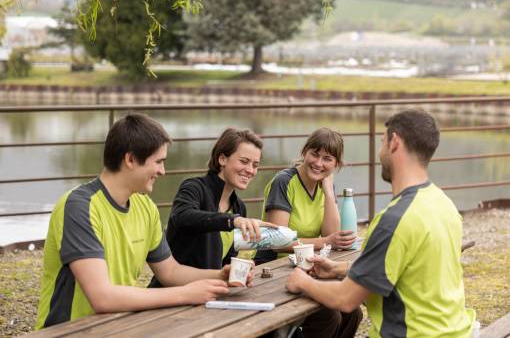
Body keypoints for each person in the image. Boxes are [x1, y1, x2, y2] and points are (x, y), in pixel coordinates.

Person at [35, 114, 241, 330]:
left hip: (120, 327)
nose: (163, 171)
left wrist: (220, 276)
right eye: (159, 162)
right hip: (70, 331)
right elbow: (102, 297)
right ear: (131, 159)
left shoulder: (146, 208)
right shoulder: (79, 206)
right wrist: (184, 294)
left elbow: (170, 272)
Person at [286, 110, 476, 337]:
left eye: (382, 142)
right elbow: (405, 268)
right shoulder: (442, 203)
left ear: (394, 142)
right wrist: (337, 268)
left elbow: (345, 299)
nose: (380, 151)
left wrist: (302, 281)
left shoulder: (394, 220)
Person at [255, 127, 362, 338]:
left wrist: (329, 193)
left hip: (307, 268)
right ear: (305, 152)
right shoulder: (284, 182)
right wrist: (325, 241)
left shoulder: (324, 185)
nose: (318, 163)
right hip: (272, 270)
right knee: (330, 316)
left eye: (327, 159)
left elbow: (332, 236)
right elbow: (276, 242)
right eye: (314, 154)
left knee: (353, 313)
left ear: (336, 164)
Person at [150, 128, 276, 288]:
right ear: (222, 159)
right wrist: (232, 221)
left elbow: (225, 265)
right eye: (244, 161)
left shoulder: (239, 207)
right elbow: (183, 216)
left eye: (255, 165)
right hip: (173, 291)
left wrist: (236, 273)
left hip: (210, 293)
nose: (250, 170)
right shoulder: (194, 187)